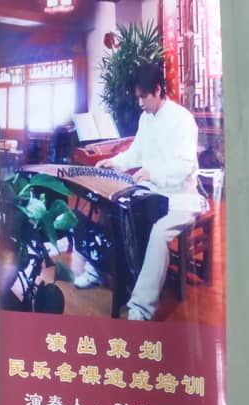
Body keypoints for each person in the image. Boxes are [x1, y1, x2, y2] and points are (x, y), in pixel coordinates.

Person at [74, 62, 207, 320]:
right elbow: (136, 152)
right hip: (149, 192)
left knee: (158, 234)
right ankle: (97, 270)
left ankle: (141, 308)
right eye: (138, 97)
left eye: (144, 96)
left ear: (158, 90)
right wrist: (116, 162)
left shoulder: (182, 120)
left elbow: (185, 165)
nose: (140, 103)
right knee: (110, 212)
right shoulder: (145, 118)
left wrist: (153, 172)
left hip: (179, 198)